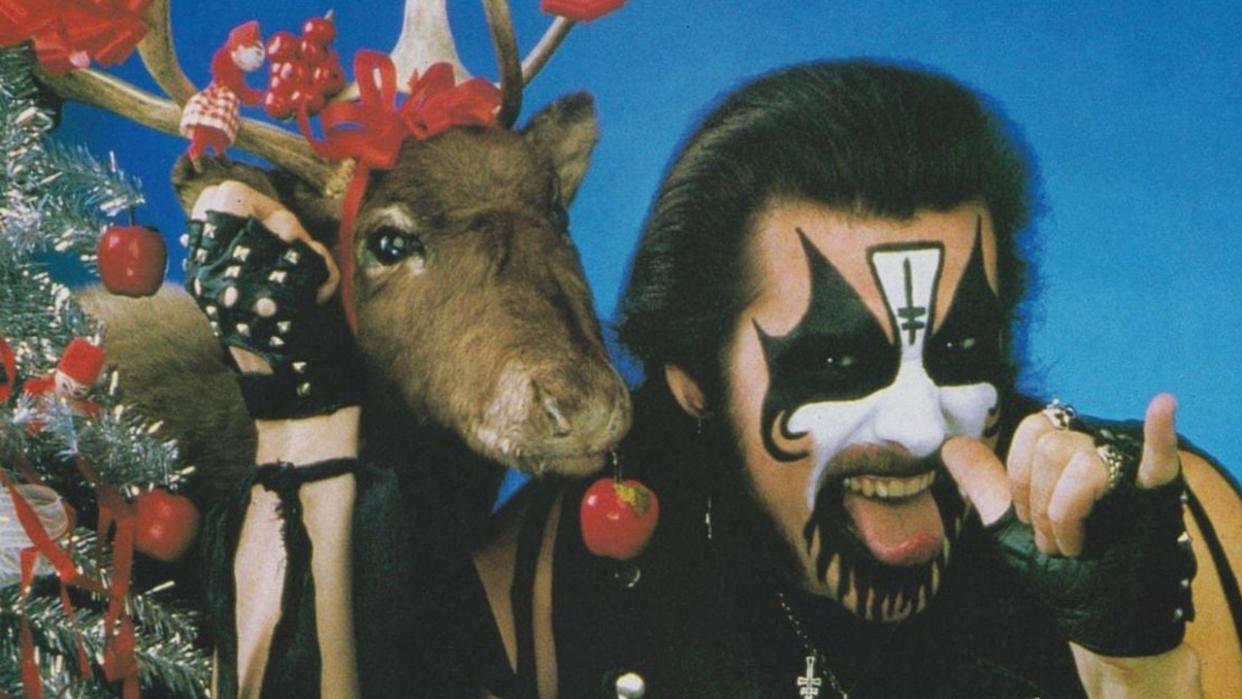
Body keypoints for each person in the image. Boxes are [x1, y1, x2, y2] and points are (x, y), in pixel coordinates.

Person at [186, 60, 1242, 697]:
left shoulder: (1166, 530)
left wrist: (1138, 667)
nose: (922, 424)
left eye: (960, 354)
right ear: (689, 378)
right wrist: (304, 423)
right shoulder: (564, 574)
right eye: (836, 363)